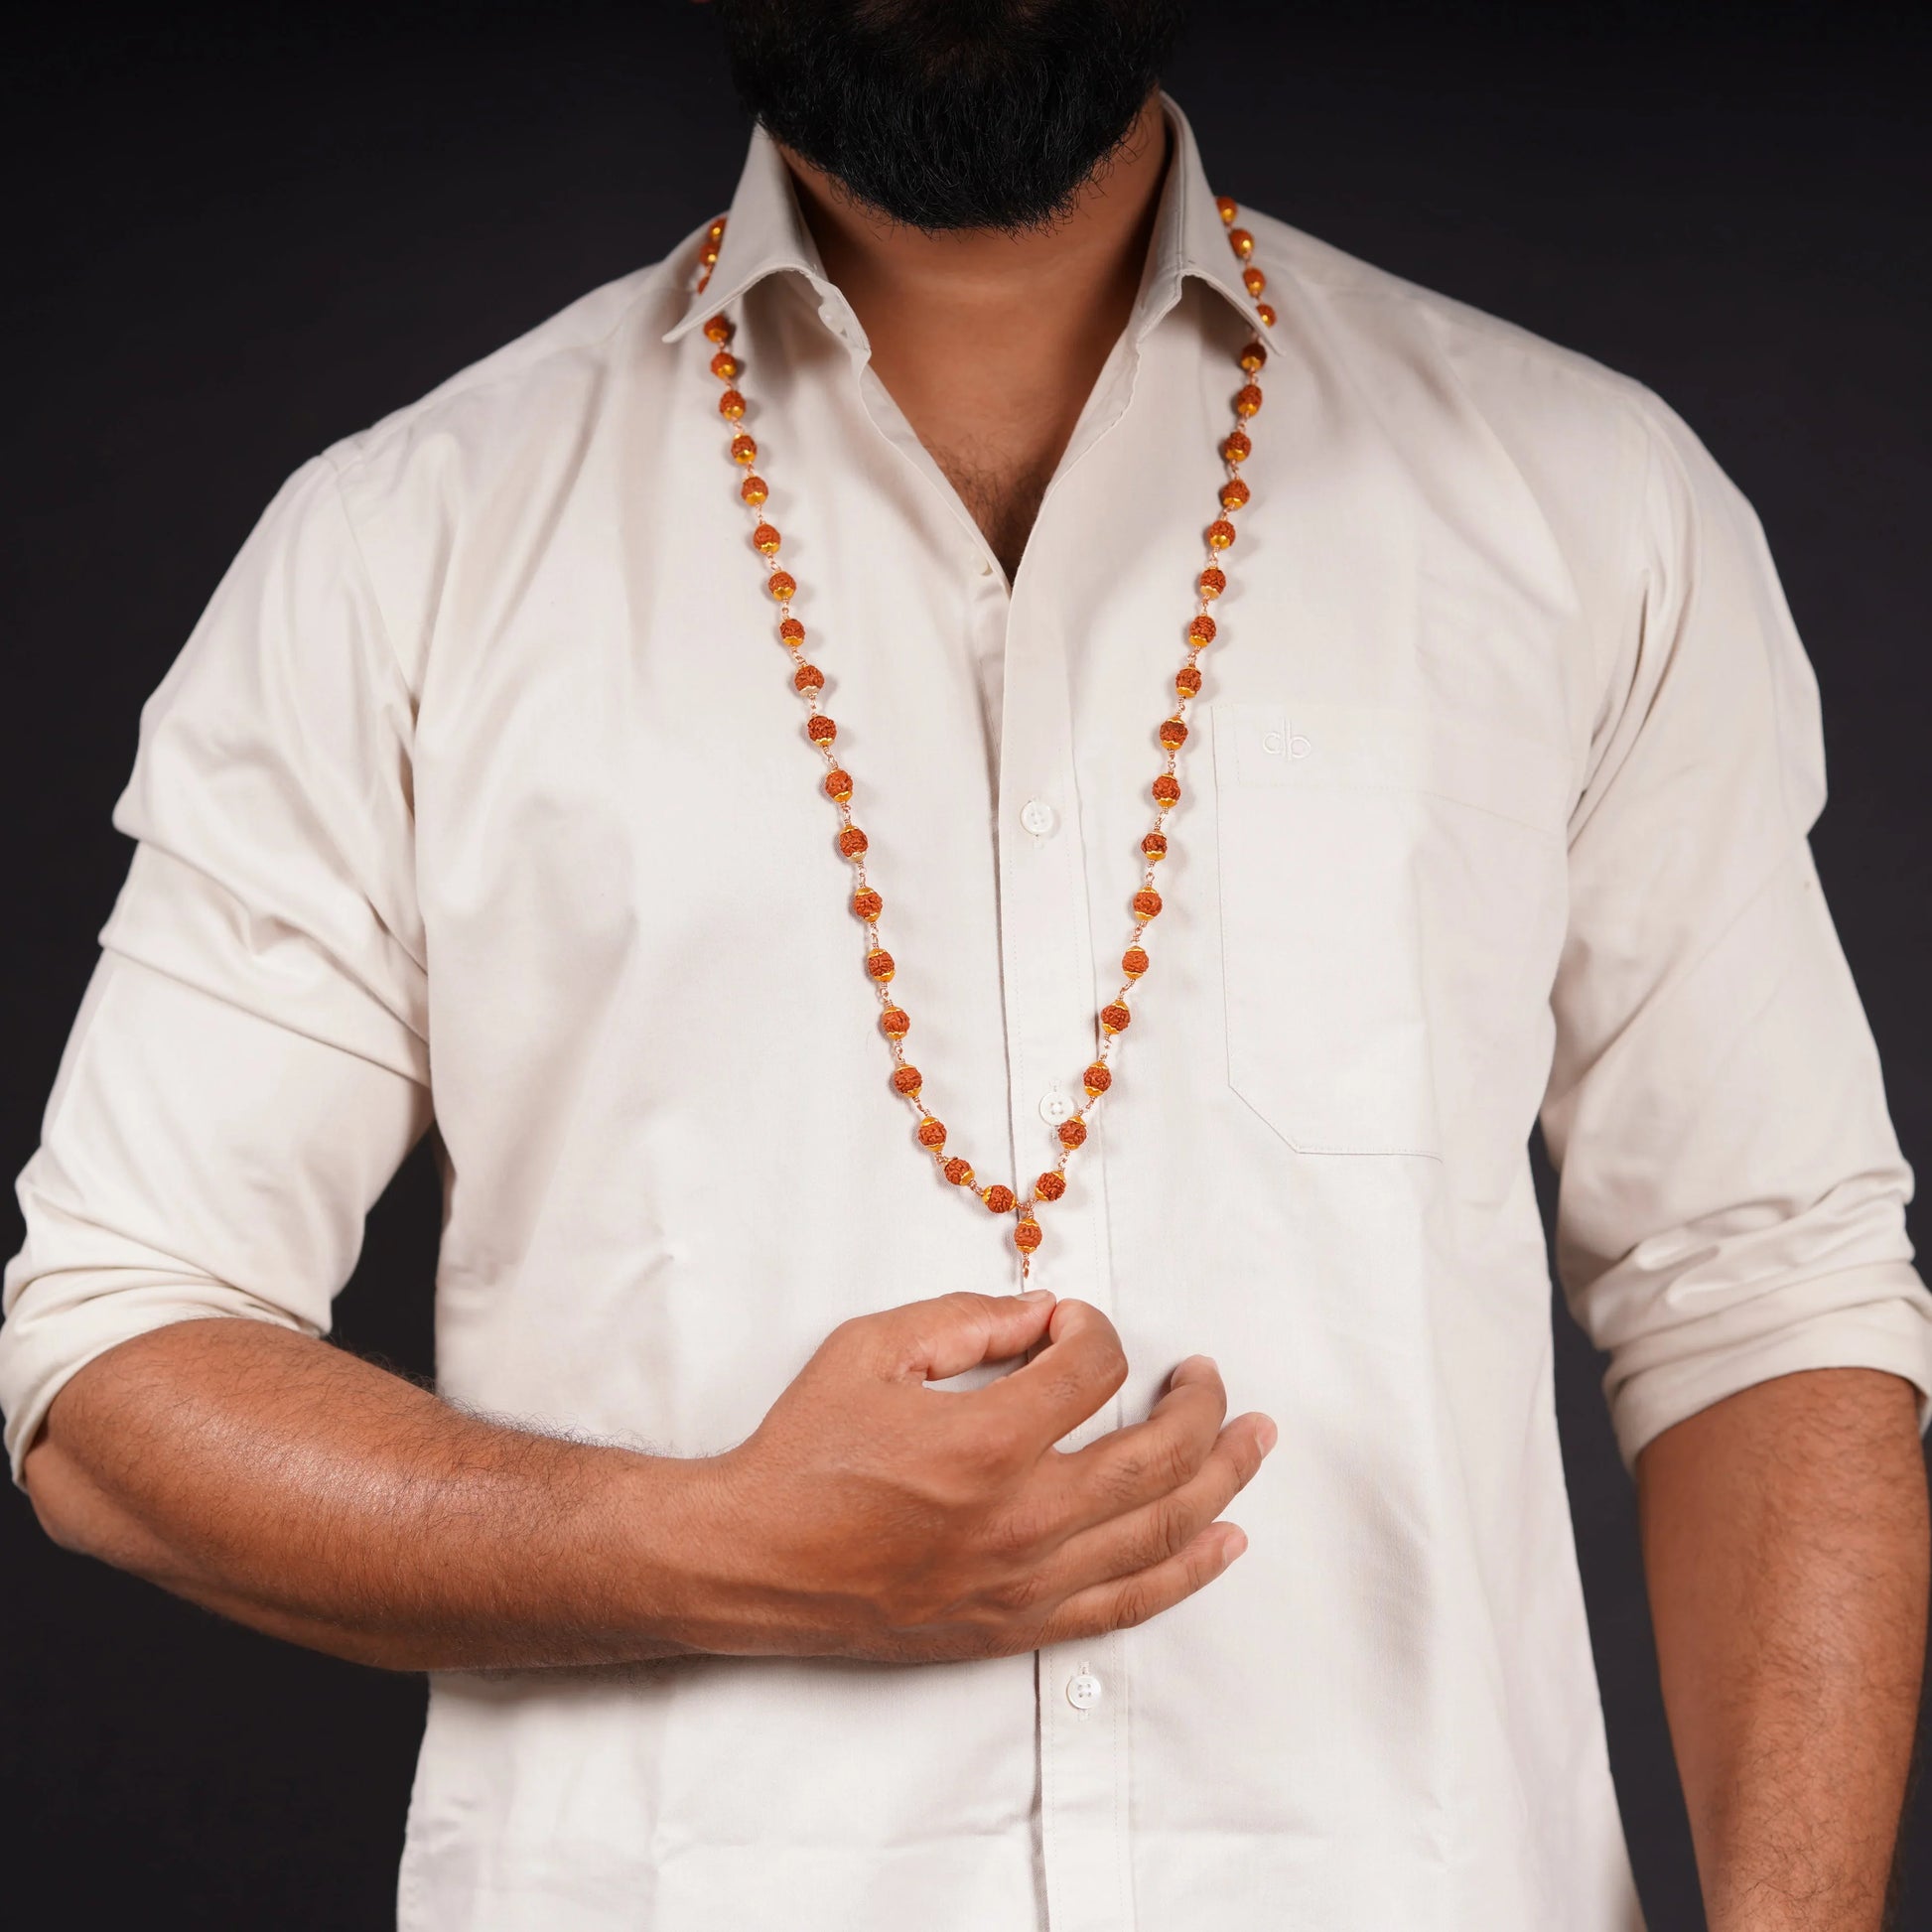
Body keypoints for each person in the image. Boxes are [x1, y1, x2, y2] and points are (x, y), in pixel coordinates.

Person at [5, 2, 1927, 1927]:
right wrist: (715, 1548)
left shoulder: (1586, 499)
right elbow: (112, 1360)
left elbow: (1762, 1296)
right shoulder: (402, 546)